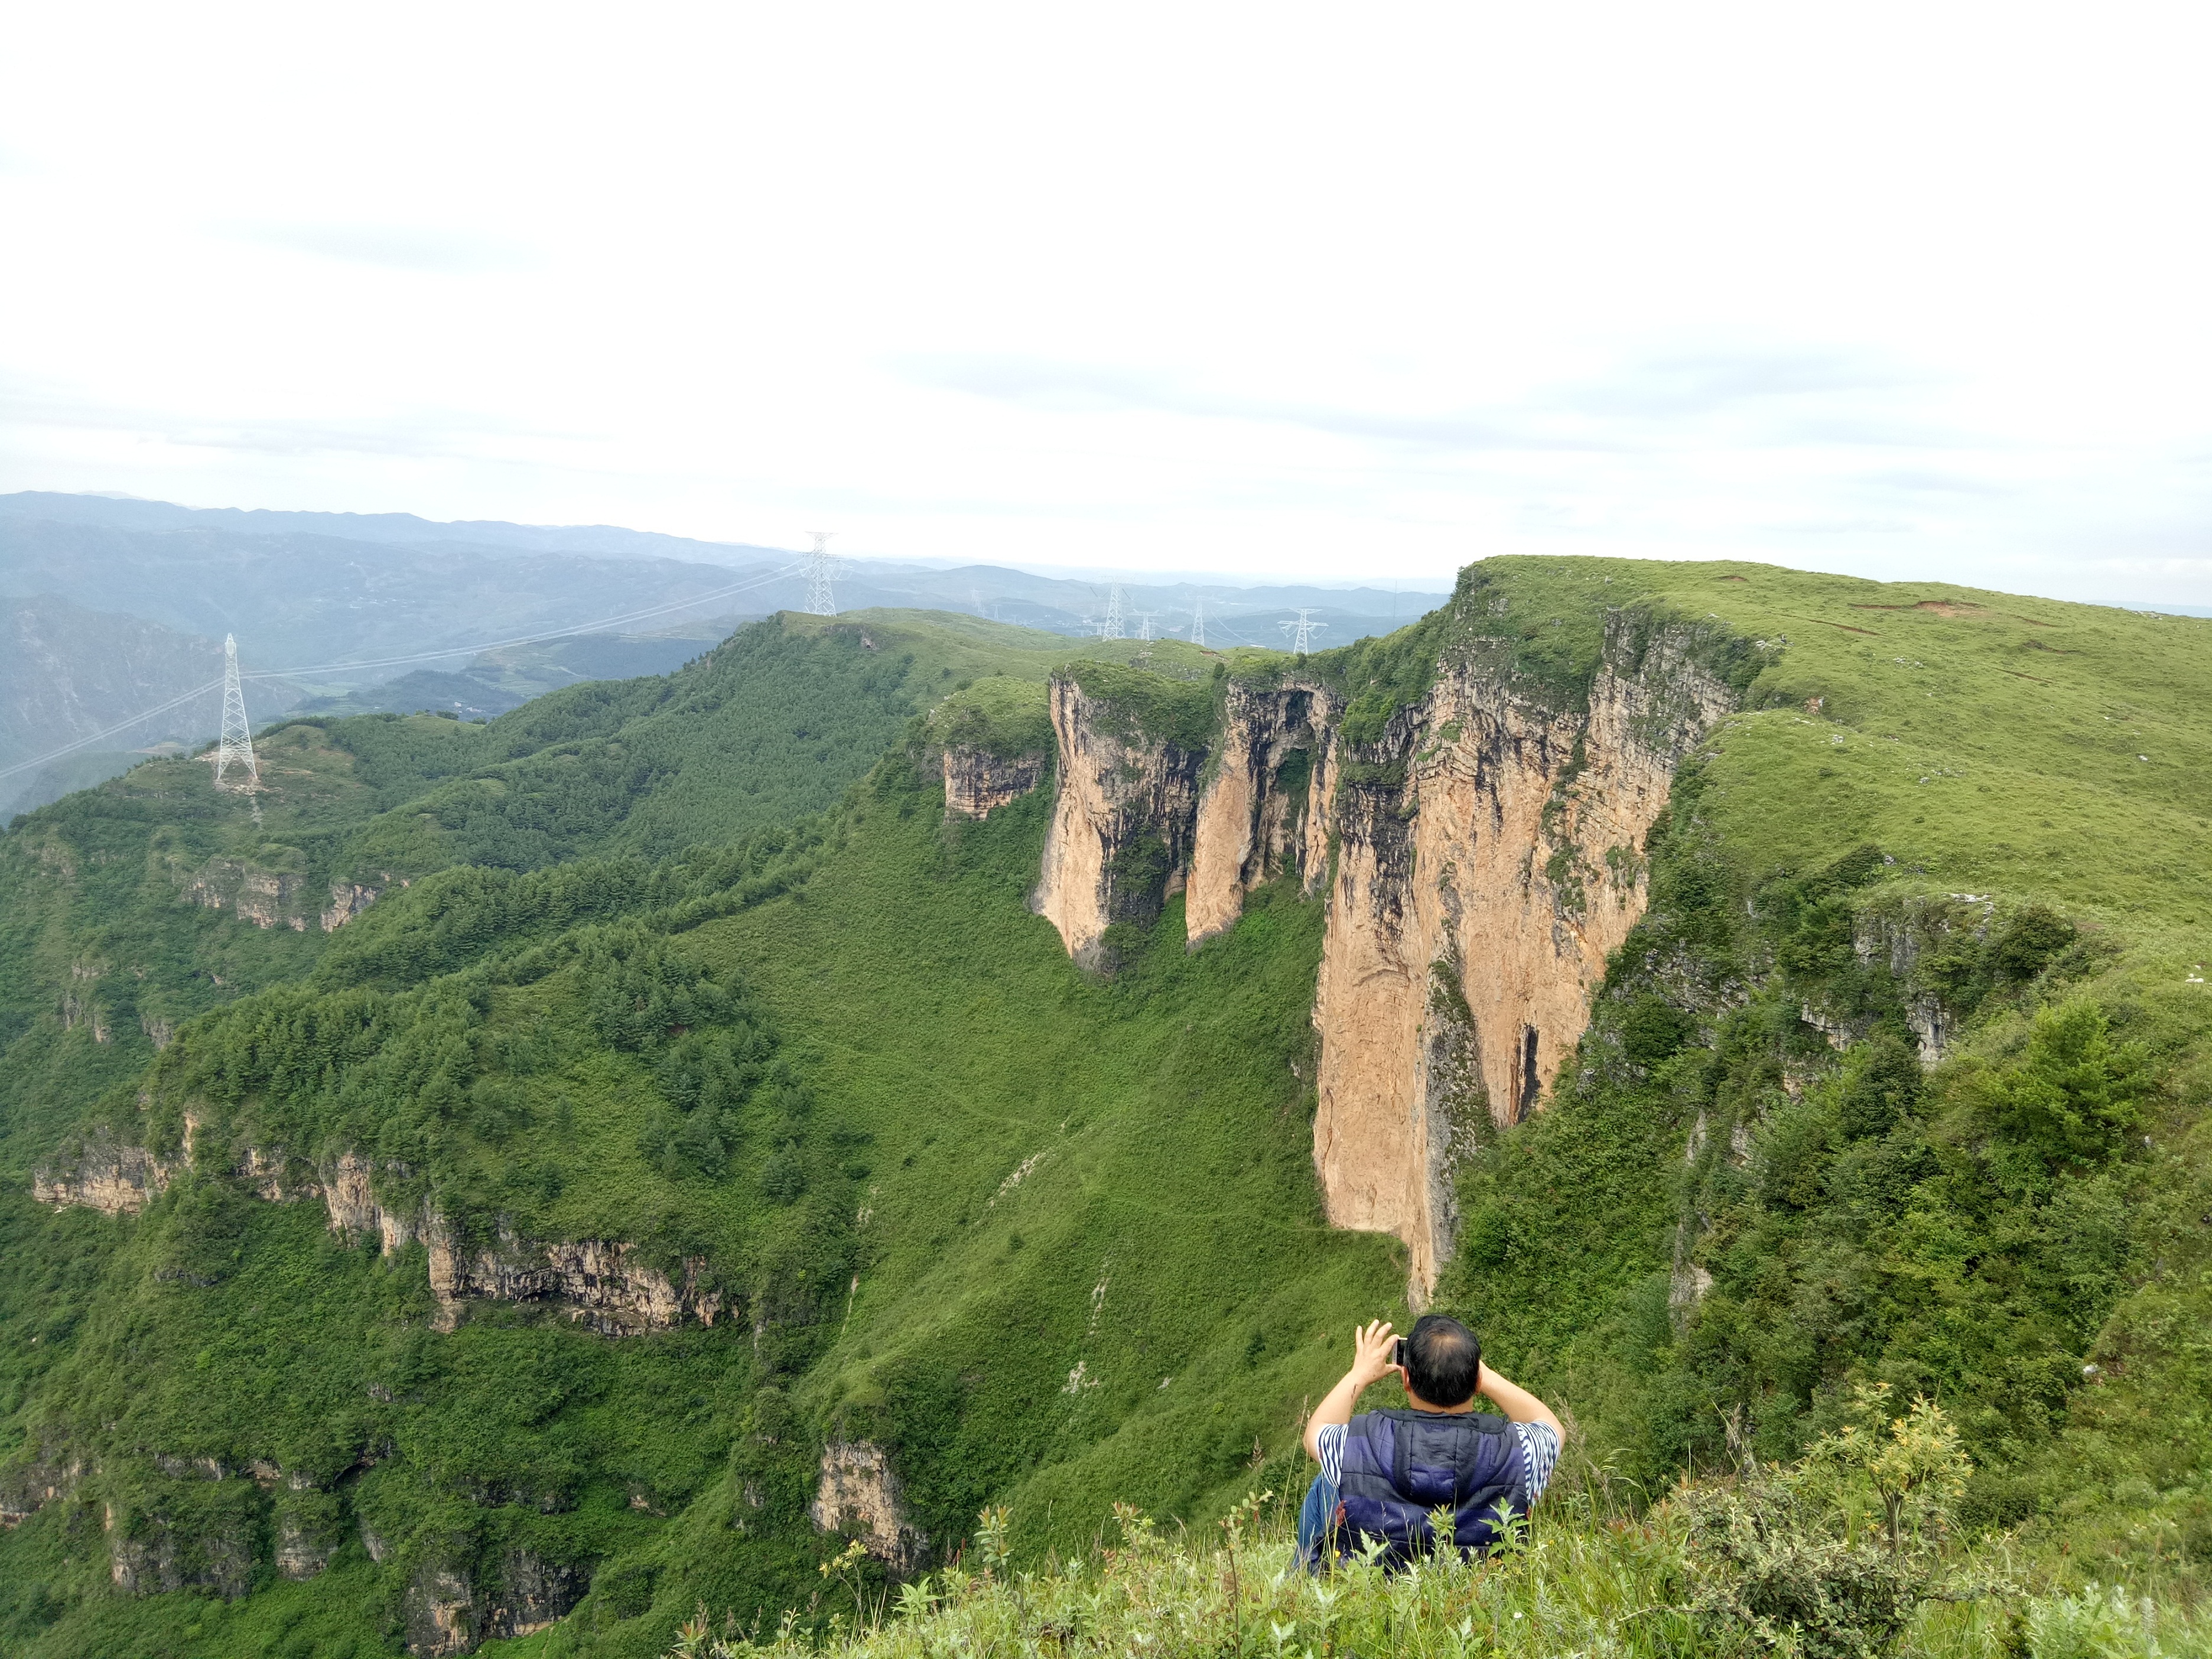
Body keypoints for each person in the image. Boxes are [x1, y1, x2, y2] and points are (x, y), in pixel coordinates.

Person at [1296, 1313, 1563, 1570]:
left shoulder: (1353, 1444)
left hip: (1374, 1584)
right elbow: (1551, 1426)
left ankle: (1303, 1571)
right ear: (1477, 1381)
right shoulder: (1523, 1451)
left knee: (1325, 1483)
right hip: (1481, 1591)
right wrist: (1486, 1377)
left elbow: (1316, 1433)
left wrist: (1360, 1375)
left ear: (1406, 1379)